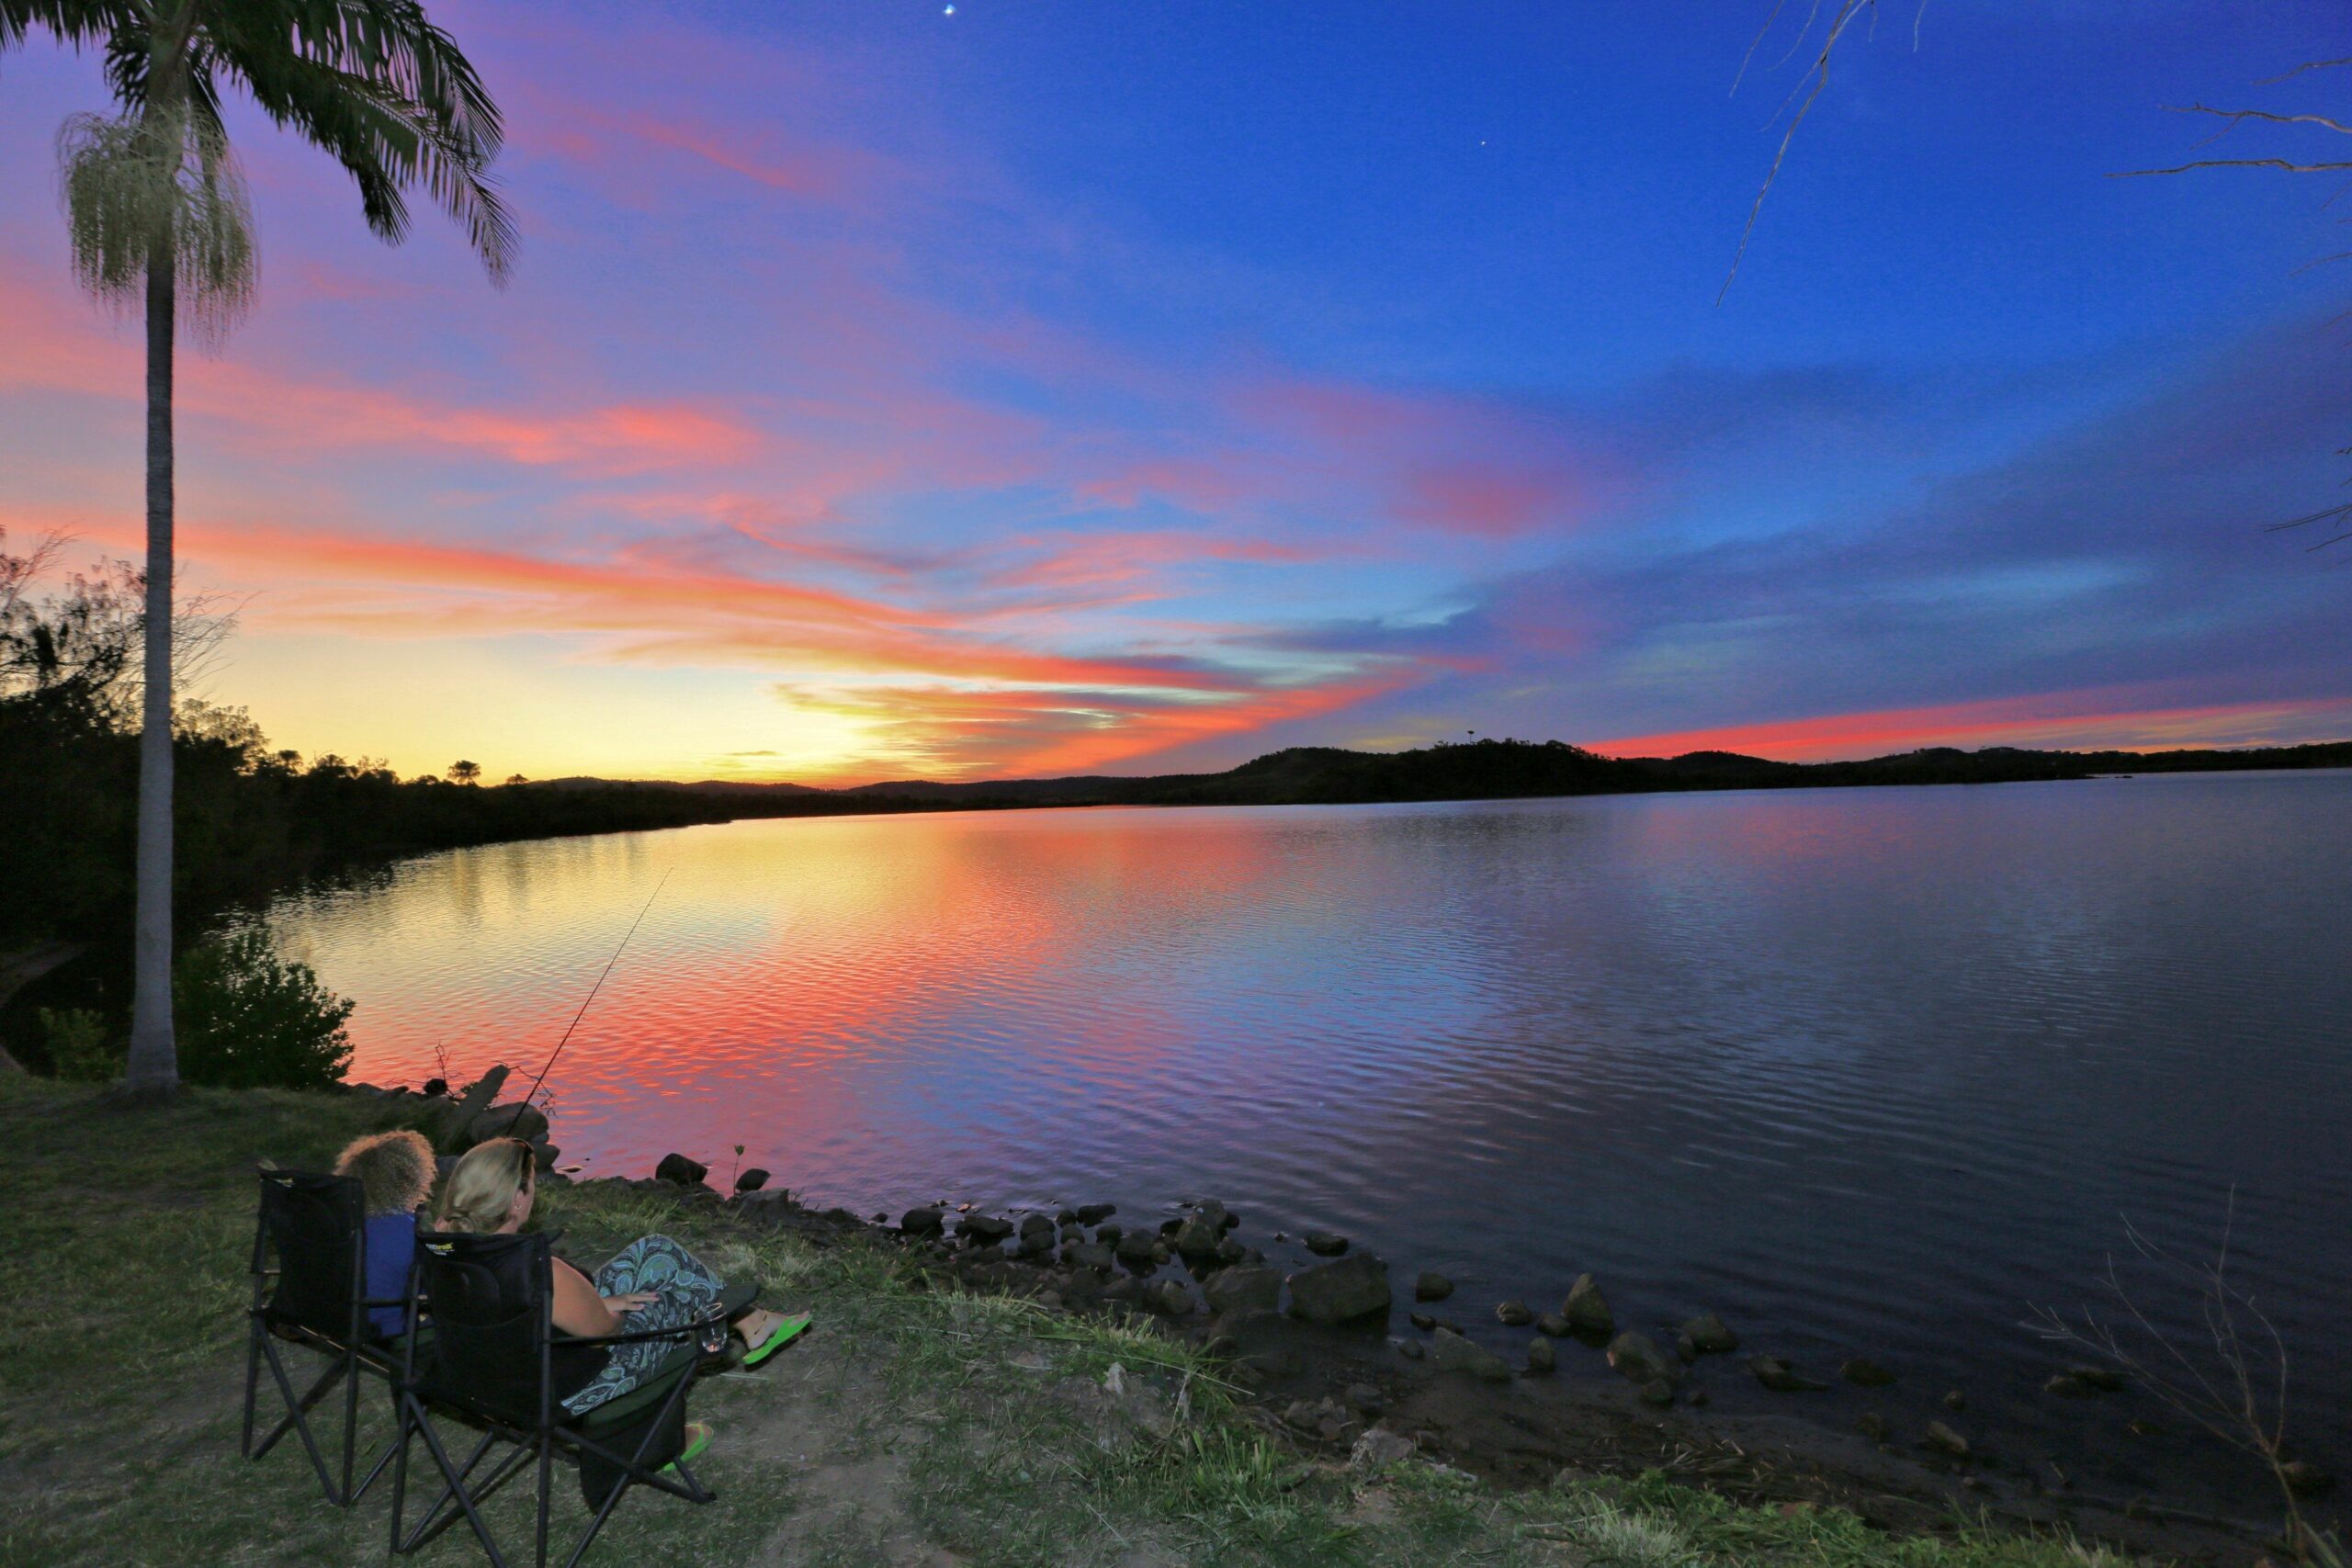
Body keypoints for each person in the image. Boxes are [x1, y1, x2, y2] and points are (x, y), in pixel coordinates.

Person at [432, 1137, 808, 1419]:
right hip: (566, 1390)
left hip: (489, 1375)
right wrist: (603, 1308)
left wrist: (589, 1302)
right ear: (516, 1199)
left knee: (654, 1250)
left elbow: (514, 1310)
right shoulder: (536, 1267)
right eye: (531, 1183)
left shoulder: (440, 1245)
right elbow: (603, 1333)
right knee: (679, 1292)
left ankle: (753, 1322)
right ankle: (659, 1433)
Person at [333, 1128, 435, 1338]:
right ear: (410, 1180)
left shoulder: (340, 1224)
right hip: (386, 1330)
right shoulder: (411, 1232)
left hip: (336, 1319)